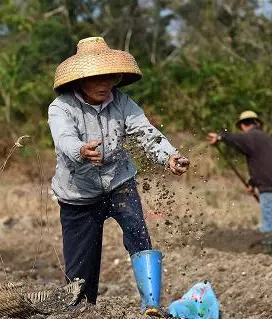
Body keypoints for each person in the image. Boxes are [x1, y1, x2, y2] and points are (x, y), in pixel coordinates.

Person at [48, 37, 189, 315]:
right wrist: (80, 150)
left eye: (109, 77)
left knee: (139, 235)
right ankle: (81, 310)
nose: (104, 84)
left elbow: (144, 131)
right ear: (80, 79)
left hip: (118, 183)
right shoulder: (61, 107)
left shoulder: (122, 102)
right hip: (78, 194)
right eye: (96, 78)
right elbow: (63, 138)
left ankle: (151, 306)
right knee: (80, 263)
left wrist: (170, 155)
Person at [206, 111, 272, 255]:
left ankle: (271, 248)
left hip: (268, 181)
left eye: (245, 124)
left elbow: (237, 139)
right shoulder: (266, 139)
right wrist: (252, 182)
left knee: (268, 213)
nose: (245, 127)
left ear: (250, 125)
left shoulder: (252, 137)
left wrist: (220, 137)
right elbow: (261, 163)